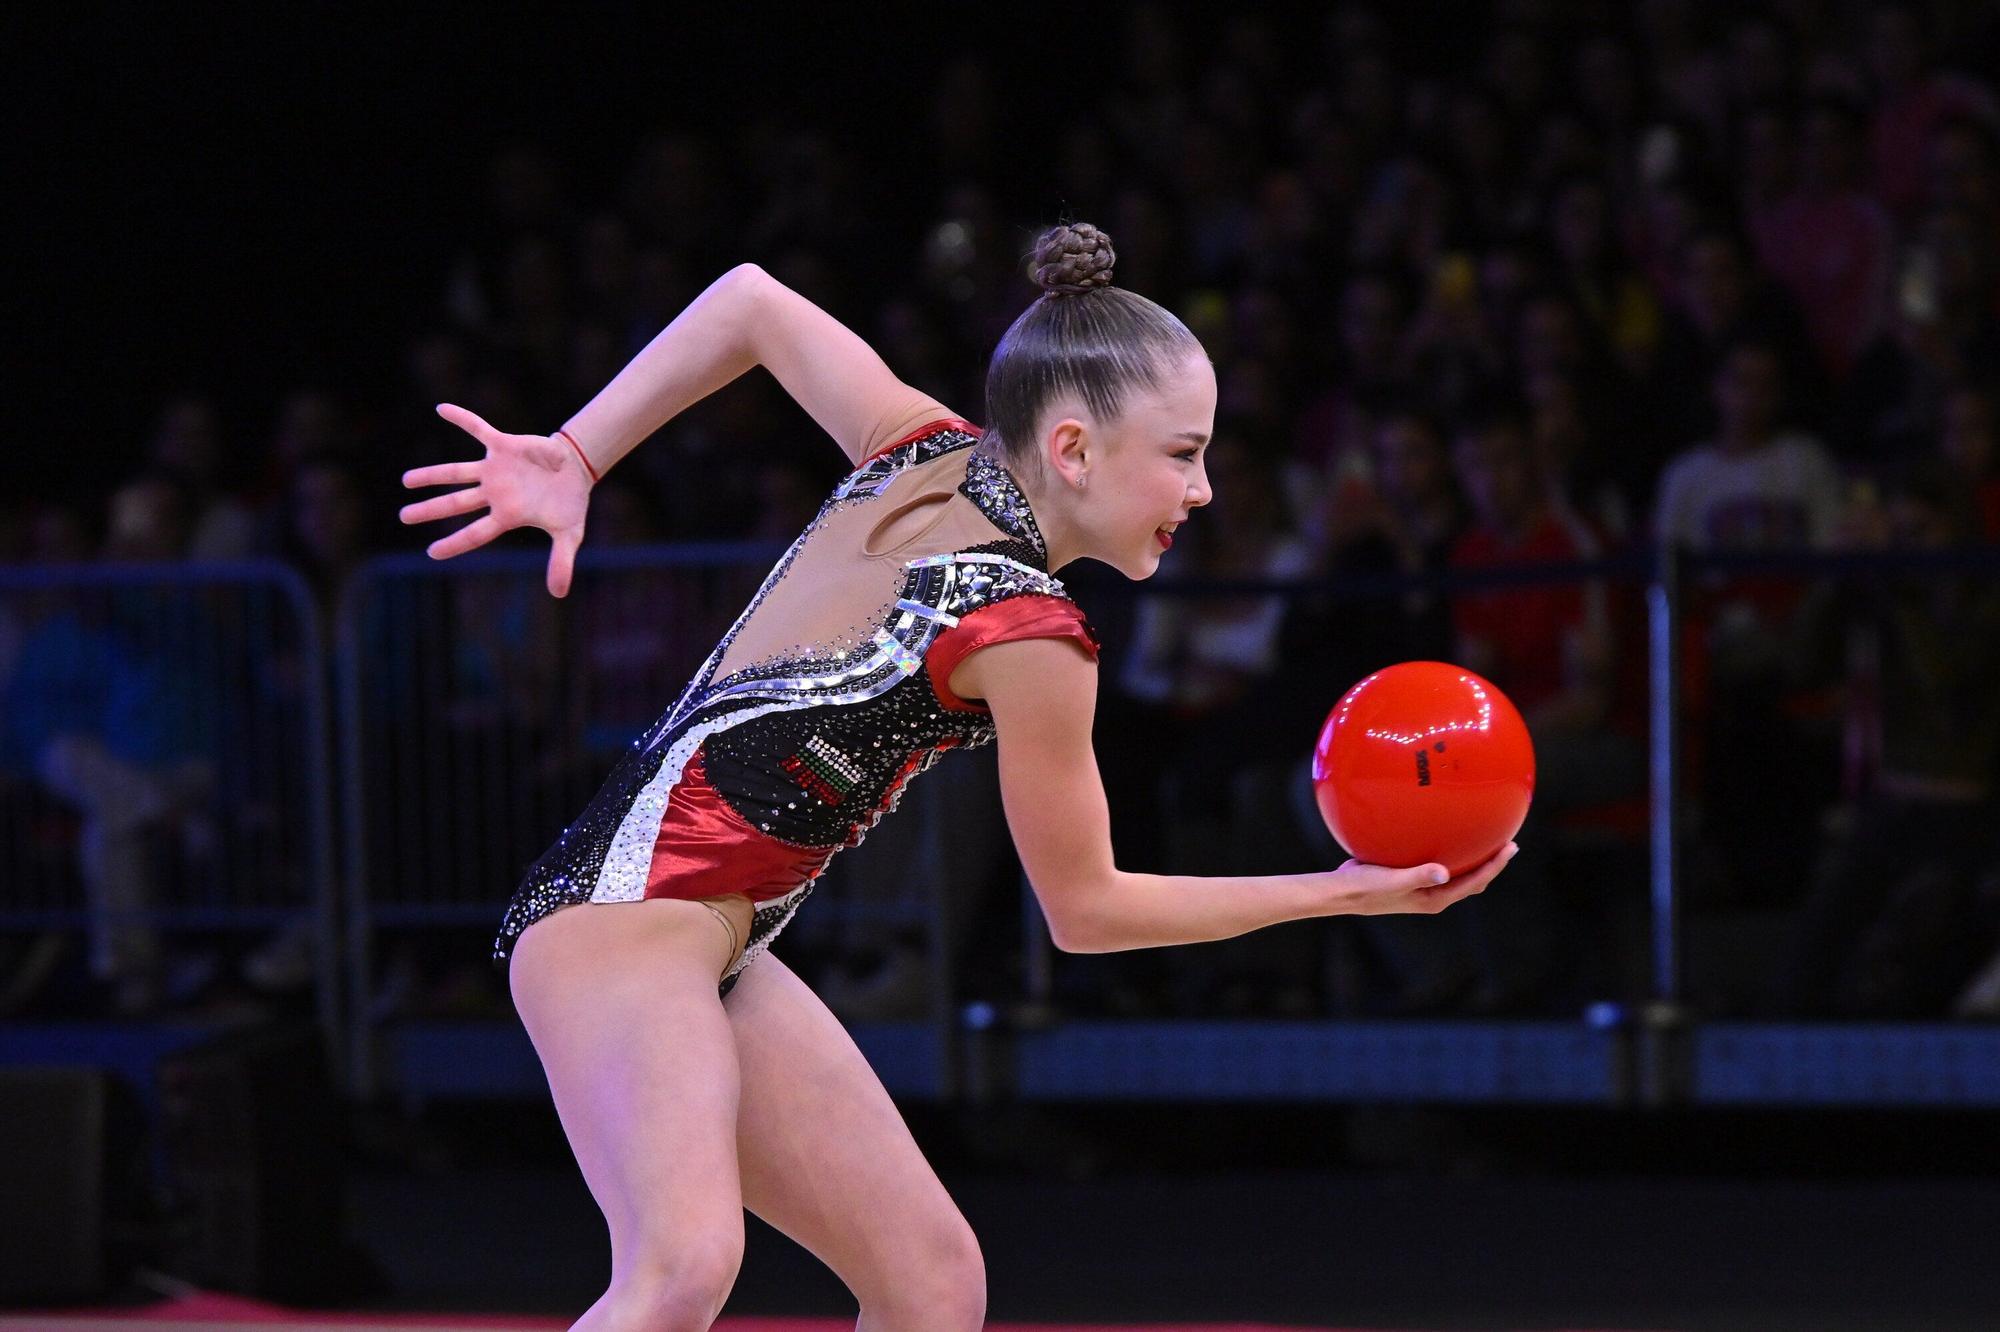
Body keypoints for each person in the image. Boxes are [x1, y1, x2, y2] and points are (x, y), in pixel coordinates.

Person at [400, 222, 1515, 1331]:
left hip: (715, 946)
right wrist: (1337, 889)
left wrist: (582, 449)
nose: (1207, 488)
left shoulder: (914, 445)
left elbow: (746, 300)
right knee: (681, 1269)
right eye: (1183, 454)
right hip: (621, 922)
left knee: (929, 1286)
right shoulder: (1030, 634)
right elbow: (1085, 912)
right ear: (1074, 450)